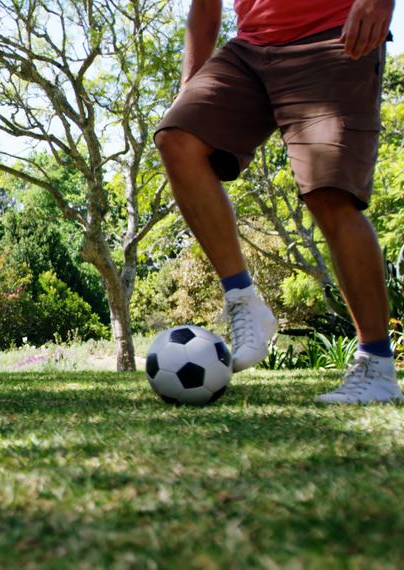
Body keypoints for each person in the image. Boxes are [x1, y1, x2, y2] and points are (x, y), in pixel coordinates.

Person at [155, 0, 401, 404]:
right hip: (251, 47)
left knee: (330, 193)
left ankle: (377, 367)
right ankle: (243, 299)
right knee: (177, 136)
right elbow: (205, 8)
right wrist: (190, 90)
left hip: (334, 34)